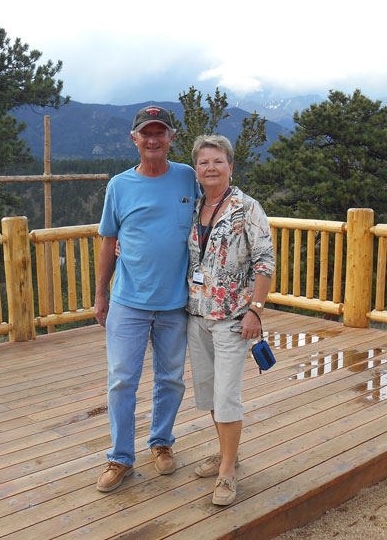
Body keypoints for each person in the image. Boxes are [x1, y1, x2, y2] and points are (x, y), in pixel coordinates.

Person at [93, 105, 200, 493]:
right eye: (146, 133)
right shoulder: (119, 186)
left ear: (171, 137)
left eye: (161, 132)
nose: (153, 139)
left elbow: (212, 214)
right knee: (122, 380)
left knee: (171, 380)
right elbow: (109, 240)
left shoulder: (189, 178)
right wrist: (101, 294)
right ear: (134, 139)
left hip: (175, 303)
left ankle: (161, 442)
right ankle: (120, 457)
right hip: (128, 301)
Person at [186, 134, 274, 506]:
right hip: (195, 314)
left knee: (226, 396)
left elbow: (265, 261)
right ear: (196, 169)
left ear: (230, 166)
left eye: (217, 161)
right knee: (208, 393)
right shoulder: (192, 207)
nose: (210, 168)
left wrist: (256, 309)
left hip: (233, 318)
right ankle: (228, 454)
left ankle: (226, 473)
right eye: (204, 162)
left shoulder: (247, 208)